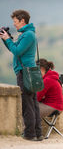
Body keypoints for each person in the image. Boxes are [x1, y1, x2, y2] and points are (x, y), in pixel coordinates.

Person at [0, 10, 42, 141]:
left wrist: (8, 39)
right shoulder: (27, 34)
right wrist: (6, 39)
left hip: (25, 72)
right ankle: (37, 133)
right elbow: (15, 50)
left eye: (15, 21)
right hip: (28, 71)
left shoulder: (28, 35)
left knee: (27, 103)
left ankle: (30, 134)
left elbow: (17, 51)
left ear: (22, 20)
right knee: (33, 102)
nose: (14, 24)